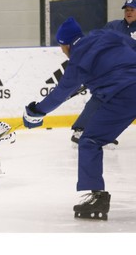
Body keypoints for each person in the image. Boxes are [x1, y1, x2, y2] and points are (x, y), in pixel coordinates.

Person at [23, 17, 136, 220]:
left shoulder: (78, 60)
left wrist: (36, 112)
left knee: (90, 141)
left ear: (65, 44)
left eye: (61, 48)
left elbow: (60, 93)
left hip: (123, 96)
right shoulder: (107, 34)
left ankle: (97, 197)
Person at [70, 0, 136, 148]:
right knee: (100, 99)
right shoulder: (113, 26)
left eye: (132, 9)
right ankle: (80, 130)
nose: (128, 12)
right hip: (111, 72)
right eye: (127, 9)